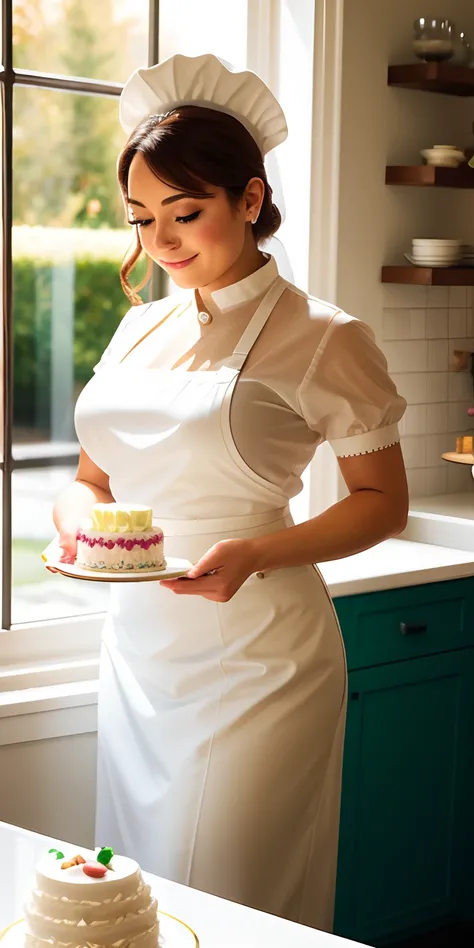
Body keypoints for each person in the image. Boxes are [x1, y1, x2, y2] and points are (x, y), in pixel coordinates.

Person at [52, 53, 408, 932]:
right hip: (139, 650)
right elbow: (93, 475)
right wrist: (81, 530)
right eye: (141, 219)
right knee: (140, 896)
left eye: (186, 212)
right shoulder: (139, 328)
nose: (161, 242)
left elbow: (380, 501)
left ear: (250, 200)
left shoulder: (325, 335)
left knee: (232, 899)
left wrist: (257, 553)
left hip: (259, 658)